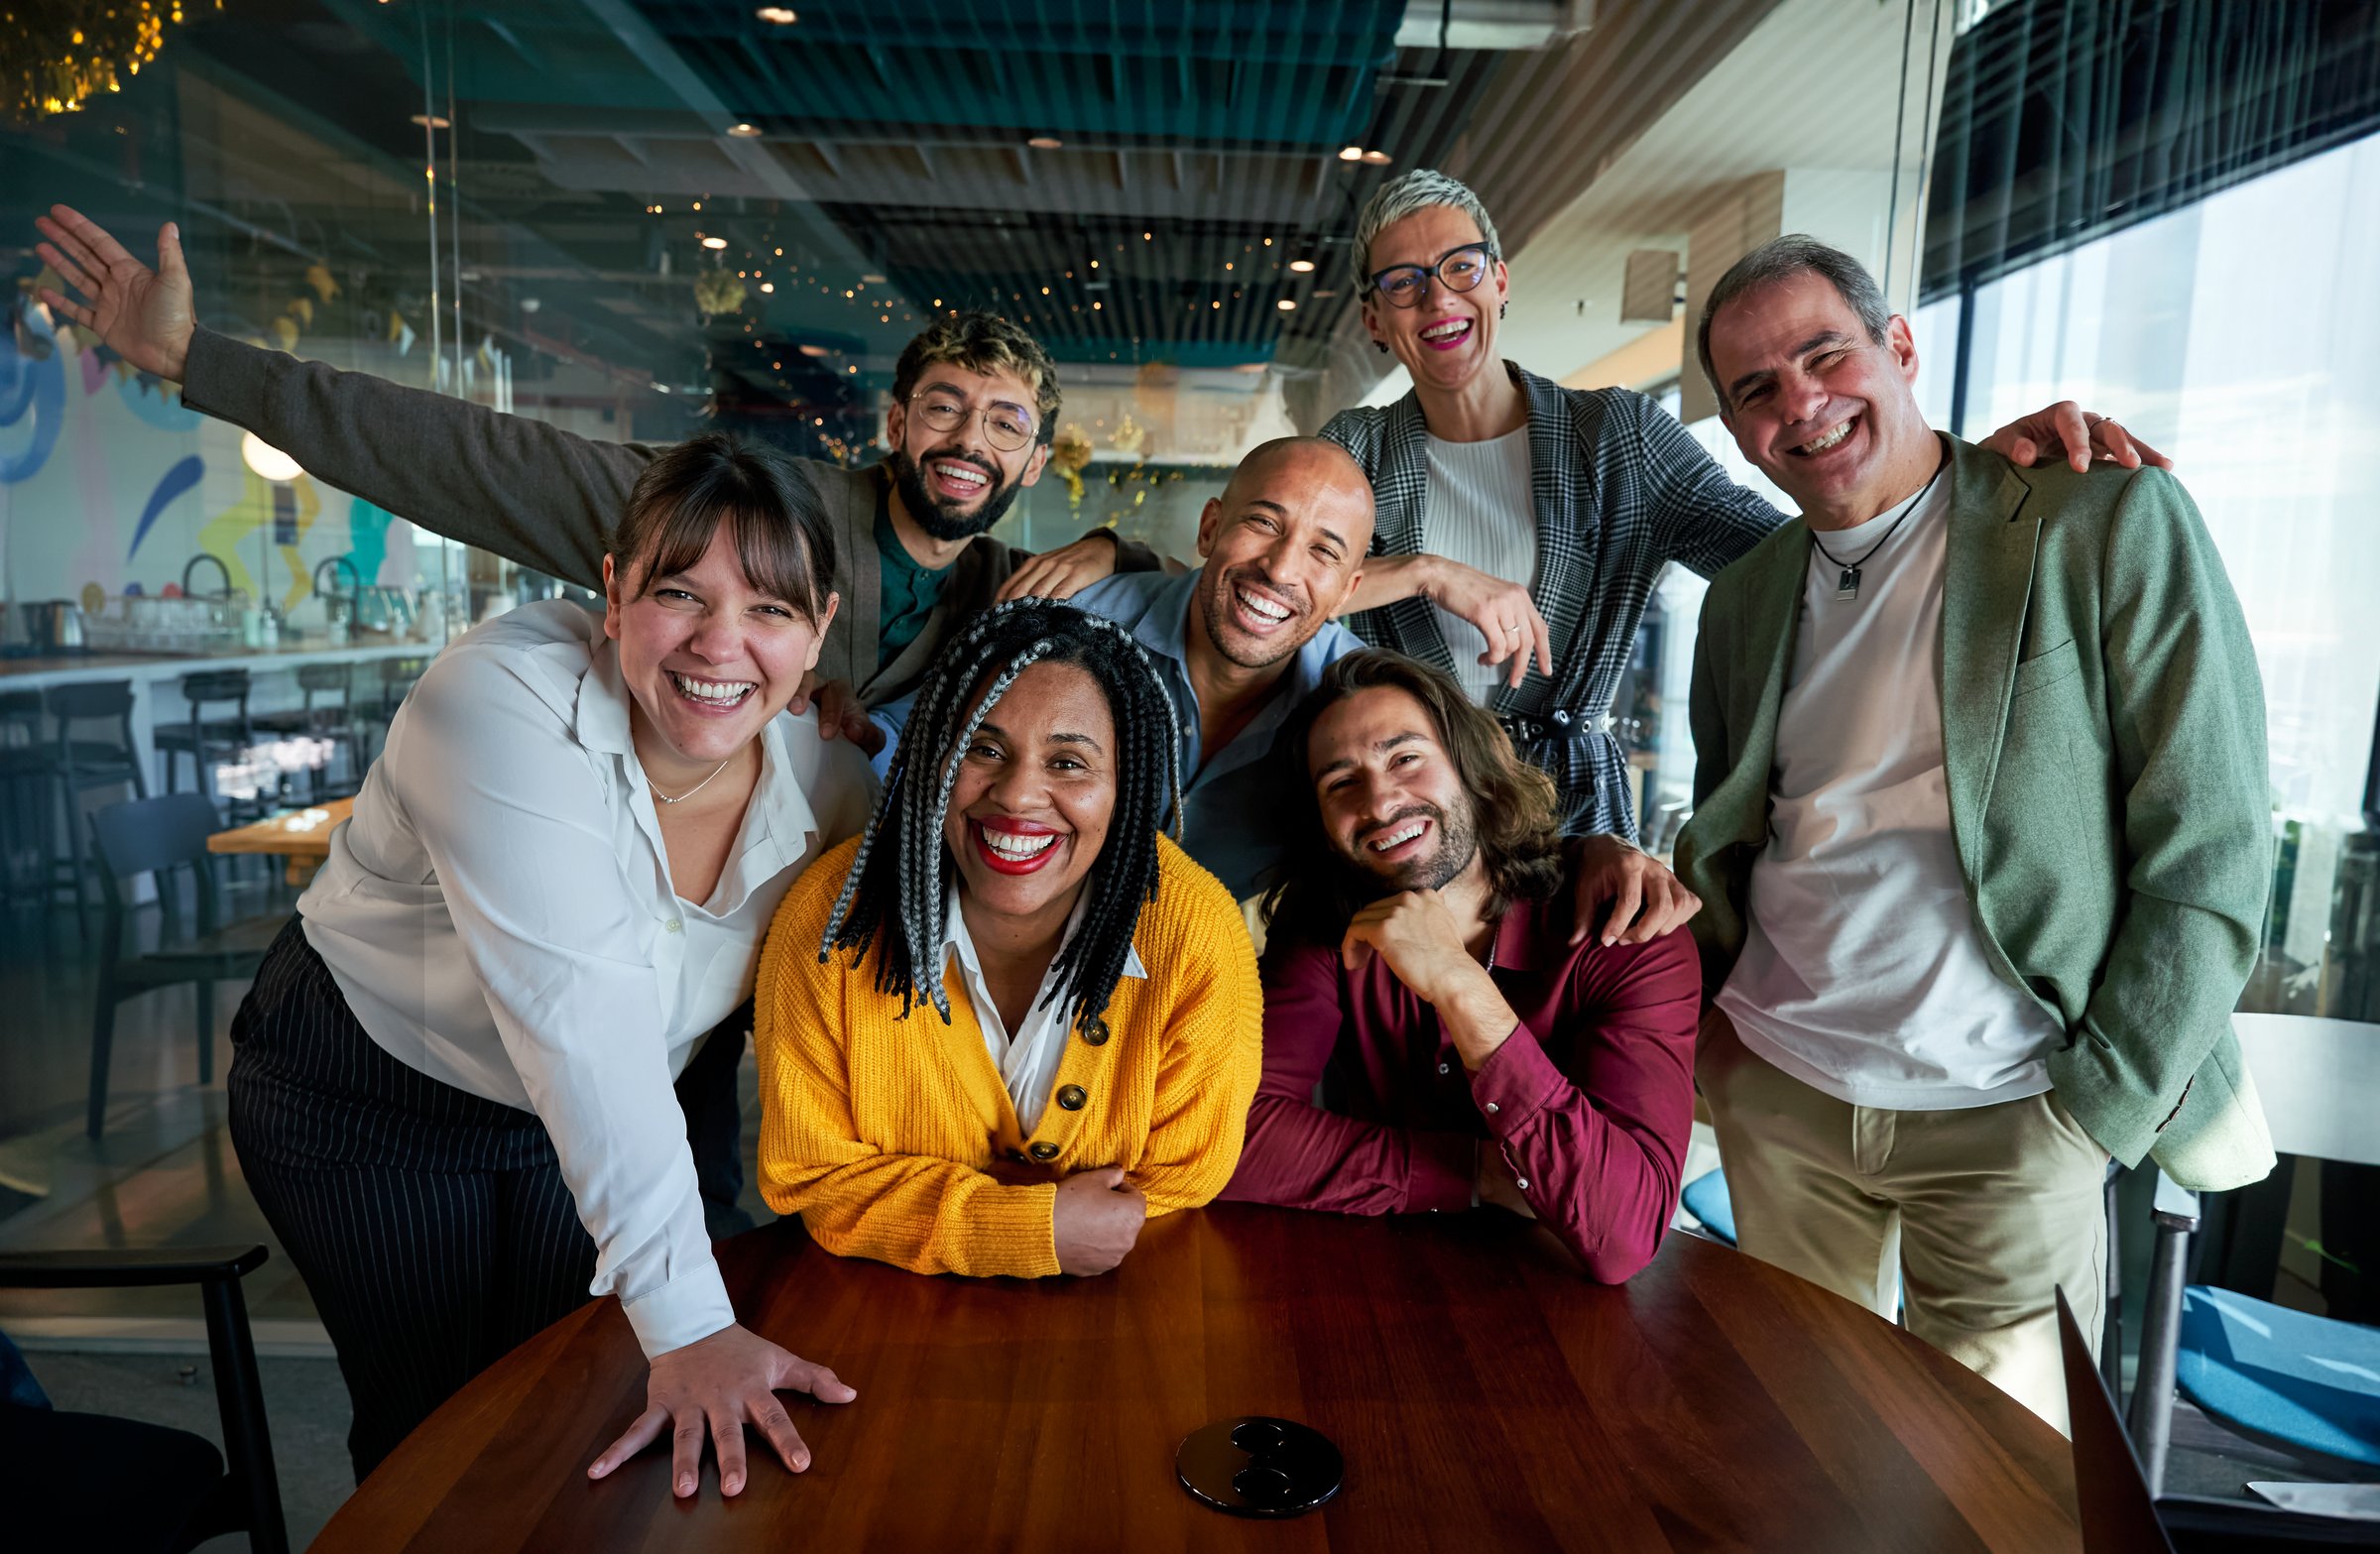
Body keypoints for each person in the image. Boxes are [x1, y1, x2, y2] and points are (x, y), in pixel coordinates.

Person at [1673, 235, 2276, 1430]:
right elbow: (1736, 827)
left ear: (1899, 347)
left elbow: (2210, 838)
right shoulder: (1745, 595)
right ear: (1739, 432)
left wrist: (2100, 1105)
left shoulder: (2101, 516)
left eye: (1824, 354)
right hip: (1782, 1087)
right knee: (1795, 1457)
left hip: (2015, 1106)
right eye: (1757, 389)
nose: (1801, 402)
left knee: (2010, 1486)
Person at [226, 433, 875, 1493]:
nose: (723, 644)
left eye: (771, 610)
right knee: (435, 1421)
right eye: (681, 592)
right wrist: (697, 1321)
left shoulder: (832, 785)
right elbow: (583, 1017)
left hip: (565, 1119)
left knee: (560, 1398)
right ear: (614, 594)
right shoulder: (498, 702)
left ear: (819, 633)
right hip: (364, 1096)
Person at [1316, 169, 2168, 857]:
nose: (1438, 299)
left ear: (1499, 281)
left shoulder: (1615, 437)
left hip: (1576, 836)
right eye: (1404, 282)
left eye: (1460, 267)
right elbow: (1273, 596)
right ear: (1374, 320)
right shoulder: (1352, 449)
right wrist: (1430, 572)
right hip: (1408, 824)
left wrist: (1970, 474)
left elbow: (1810, 550)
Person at [30, 204, 1155, 715]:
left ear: (1035, 459)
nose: (970, 442)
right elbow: (483, 459)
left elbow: (1223, 601)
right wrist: (198, 361)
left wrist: (1118, 541)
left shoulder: (1015, 592)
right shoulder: (761, 510)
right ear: (898, 423)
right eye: (947, 408)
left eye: (1005, 424)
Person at [756, 600, 1262, 1277]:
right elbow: (809, 1176)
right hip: (880, 1325)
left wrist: (902, 1200)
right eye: (984, 749)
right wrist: (1029, 1224)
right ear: (935, 755)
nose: (1019, 794)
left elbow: (1184, 1179)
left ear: (1125, 789)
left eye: (1069, 763)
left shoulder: (1198, 936)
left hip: (1122, 1316)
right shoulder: (831, 925)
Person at [1223, 651, 1700, 1283]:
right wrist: (1477, 1174)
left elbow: (1624, 1235)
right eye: (1341, 783)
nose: (1381, 800)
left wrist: (1460, 985)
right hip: (1375, 1280)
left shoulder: (1629, 932)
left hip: (1572, 1309)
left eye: (1406, 758)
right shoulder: (1323, 926)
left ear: (1470, 767)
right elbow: (1233, 1139)